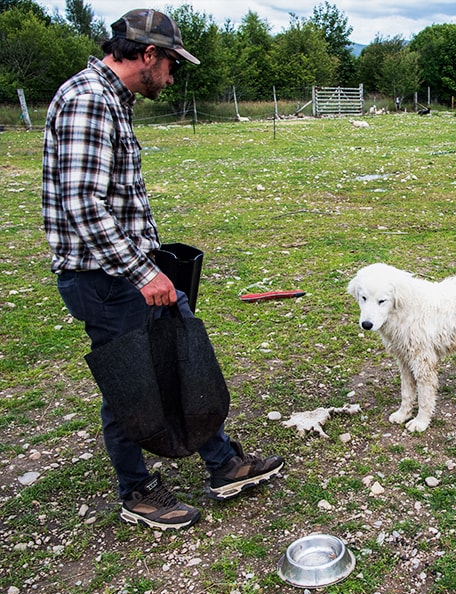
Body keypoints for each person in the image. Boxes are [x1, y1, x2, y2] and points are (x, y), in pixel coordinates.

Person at [41, 9, 284, 531]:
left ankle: (222, 465)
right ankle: (138, 491)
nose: (172, 75)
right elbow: (83, 204)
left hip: (127, 271)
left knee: (178, 358)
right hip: (107, 279)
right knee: (130, 382)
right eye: (171, 62)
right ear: (147, 54)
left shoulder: (110, 99)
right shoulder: (88, 100)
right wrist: (143, 273)